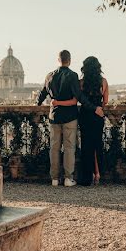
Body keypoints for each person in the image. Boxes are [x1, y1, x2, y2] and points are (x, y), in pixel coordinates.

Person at [37, 50, 103, 186]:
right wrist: (94, 107)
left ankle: (54, 178)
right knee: (69, 148)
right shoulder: (72, 75)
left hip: (54, 116)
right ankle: (68, 178)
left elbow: (42, 93)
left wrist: (36, 104)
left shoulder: (49, 76)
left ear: (58, 60)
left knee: (54, 148)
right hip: (70, 116)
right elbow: (79, 97)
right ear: (70, 60)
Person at [53, 56, 108, 185]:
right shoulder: (104, 81)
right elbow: (105, 101)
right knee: (97, 144)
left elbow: (76, 99)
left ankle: (87, 177)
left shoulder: (81, 82)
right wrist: (99, 108)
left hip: (85, 115)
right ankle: (98, 174)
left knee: (86, 146)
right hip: (98, 115)